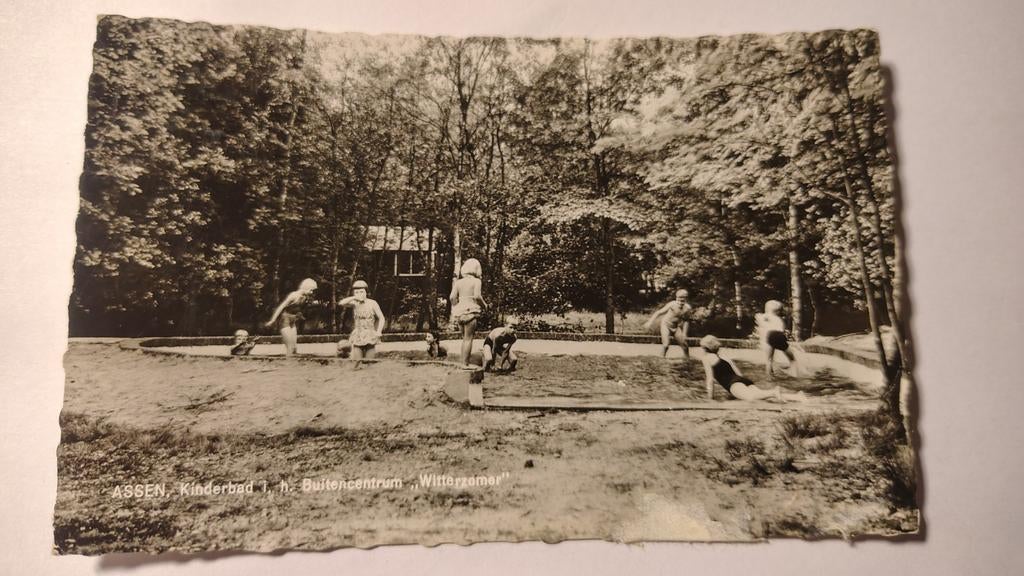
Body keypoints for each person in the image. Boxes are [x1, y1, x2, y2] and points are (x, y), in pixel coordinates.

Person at [700, 335, 802, 402]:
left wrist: (710, 399)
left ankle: (773, 391)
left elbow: (709, 380)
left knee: (751, 397)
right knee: (762, 396)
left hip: (733, 384)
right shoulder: (724, 357)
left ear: (705, 348)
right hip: (743, 380)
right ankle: (797, 397)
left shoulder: (706, 359)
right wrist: (742, 384)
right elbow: (737, 372)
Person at [449, 258, 488, 367]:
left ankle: (463, 362)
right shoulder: (476, 281)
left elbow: (452, 297)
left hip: (460, 313)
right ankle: (465, 364)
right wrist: (485, 305)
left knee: (464, 339)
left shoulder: (459, 282)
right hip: (471, 312)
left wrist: (457, 306)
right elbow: (477, 296)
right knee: (468, 339)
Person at [265, 278, 317, 356]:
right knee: (289, 347)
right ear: (306, 288)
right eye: (311, 290)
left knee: (294, 348)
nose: (312, 292)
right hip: (285, 320)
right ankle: (287, 365)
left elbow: (297, 309)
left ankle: (293, 364)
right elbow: (281, 307)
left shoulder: (305, 297)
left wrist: (300, 316)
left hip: (293, 321)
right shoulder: (294, 295)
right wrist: (272, 320)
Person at [337, 280, 386, 360]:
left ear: (366, 292)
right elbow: (341, 303)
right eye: (356, 292)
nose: (360, 294)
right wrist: (354, 297)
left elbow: (381, 318)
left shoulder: (372, 303)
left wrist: (379, 331)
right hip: (358, 335)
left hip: (370, 334)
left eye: (362, 292)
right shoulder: (354, 303)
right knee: (357, 360)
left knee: (369, 361)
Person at [755, 300, 800, 379]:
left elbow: (759, 320)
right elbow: (782, 329)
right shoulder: (778, 319)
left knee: (769, 360)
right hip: (779, 335)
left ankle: (769, 377)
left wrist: (759, 318)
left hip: (770, 336)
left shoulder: (765, 316)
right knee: (792, 359)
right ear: (778, 311)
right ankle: (795, 374)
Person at [644, 289, 693, 359]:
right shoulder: (672, 304)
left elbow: (686, 320)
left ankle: (687, 359)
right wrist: (650, 322)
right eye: (679, 300)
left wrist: (684, 333)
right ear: (676, 298)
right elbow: (658, 312)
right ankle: (661, 358)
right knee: (666, 345)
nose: (680, 303)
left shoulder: (687, 308)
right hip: (666, 325)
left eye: (683, 301)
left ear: (686, 299)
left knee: (685, 345)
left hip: (675, 327)